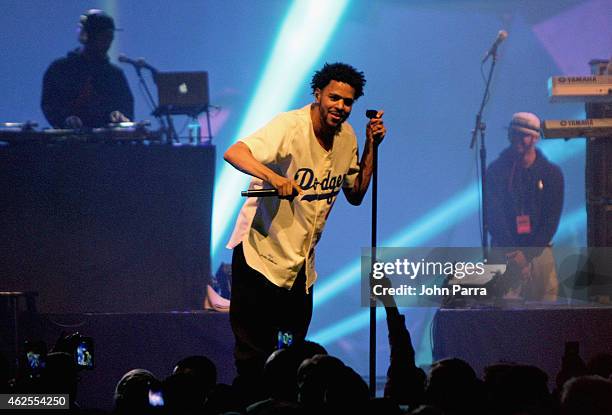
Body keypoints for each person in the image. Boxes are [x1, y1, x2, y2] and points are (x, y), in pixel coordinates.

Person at [224, 62, 386, 401]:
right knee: (254, 359)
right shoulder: (290, 126)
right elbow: (235, 152)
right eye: (334, 98)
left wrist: (373, 146)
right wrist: (274, 177)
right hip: (261, 257)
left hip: (300, 267)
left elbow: (355, 193)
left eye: (348, 102)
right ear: (318, 94)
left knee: (291, 353)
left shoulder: (348, 138)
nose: (340, 107)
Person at [486, 112, 564, 301]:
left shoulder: (551, 174)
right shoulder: (496, 171)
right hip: (505, 250)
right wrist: (514, 253)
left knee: (546, 311)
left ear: (536, 138)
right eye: (514, 134)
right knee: (503, 315)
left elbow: (551, 219)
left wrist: (527, 254)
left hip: (538, 250)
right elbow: (493, 216)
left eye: (524, 135)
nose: (518, 139)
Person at [41, 9, 134, 129]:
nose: (107, 43)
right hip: (68, 144)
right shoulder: (60, 69)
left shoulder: (114, 74)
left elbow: (125, 106)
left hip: (107, 144)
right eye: (103, 37)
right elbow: (50, 104)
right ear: (86, 36)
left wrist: (120, 116)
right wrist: (65, 119)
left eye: (110, 37)